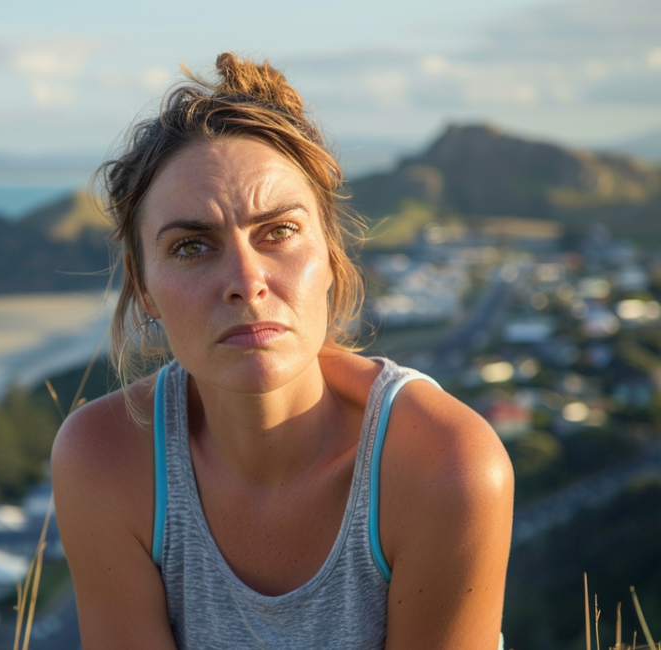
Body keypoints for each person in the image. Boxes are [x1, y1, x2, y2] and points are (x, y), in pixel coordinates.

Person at [51, 52, 513, 649]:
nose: (247, 279)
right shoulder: (105, 459)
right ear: (145, 290)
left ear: (330, 257)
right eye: (192, 246)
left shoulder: (445, 467)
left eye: (279, 232)